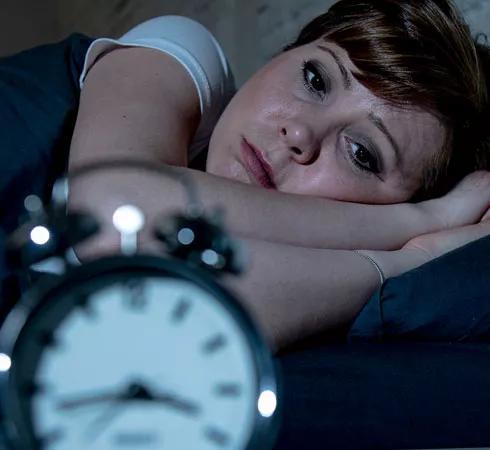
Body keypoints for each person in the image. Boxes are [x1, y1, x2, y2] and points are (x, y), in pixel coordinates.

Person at [66, 0, 490, 349]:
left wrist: (412, 258)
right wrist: (427, 221)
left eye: (361, 153)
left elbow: (187, 324)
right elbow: (107, 213)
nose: (301, 133)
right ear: (285, 51)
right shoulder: (183, 57)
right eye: (315, 78)